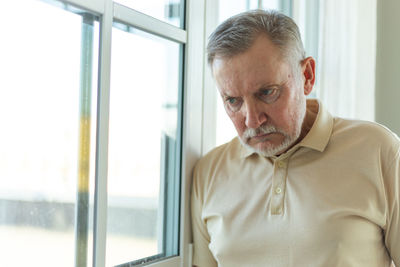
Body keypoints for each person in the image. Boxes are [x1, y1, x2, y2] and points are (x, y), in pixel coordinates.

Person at [191, 9, 399, 267]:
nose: (252, 120)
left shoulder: (380, 151)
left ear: (307, 76)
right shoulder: (208, 172)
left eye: (267, 92)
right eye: (233, 101)